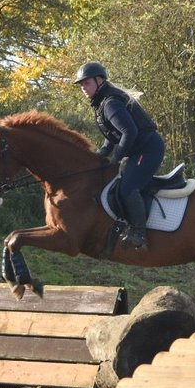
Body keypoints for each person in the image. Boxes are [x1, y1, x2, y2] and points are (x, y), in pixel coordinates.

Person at [74, 61, 165, 251]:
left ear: (99, 81)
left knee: (127, 188)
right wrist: (103, 153)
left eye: (87, 83)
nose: (83, 88)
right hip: (140, 150)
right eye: (81, 85)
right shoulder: (103, 102)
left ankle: (140, 234)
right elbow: (113, 134)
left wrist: (116, 157)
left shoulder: (110, 103)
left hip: (148, 150)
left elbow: (129, 132)